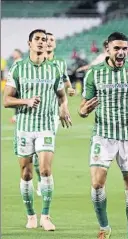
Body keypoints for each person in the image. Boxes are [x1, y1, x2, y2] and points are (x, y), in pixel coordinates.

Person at [78, 32, 128, 239]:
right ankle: (104, 228)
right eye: (116, 48)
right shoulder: (94, 73)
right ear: (107, 49)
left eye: (124, 49)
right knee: (97, 185)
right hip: (103, 135)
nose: (121, 53)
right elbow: (82, 107)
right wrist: (83, 110)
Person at [3, 29, 72, 231]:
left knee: (45, 170)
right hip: (24, 128)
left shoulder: (54, 69)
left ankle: (46, 216)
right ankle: (31, 215)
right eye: (37, 39)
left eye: (44, 39)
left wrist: (64, 108)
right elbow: (6, 100)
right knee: (26, 174)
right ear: (29, 43)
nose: (42, 42)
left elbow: (61, 95)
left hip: (45, 128)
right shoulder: (18, 68)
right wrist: (26, 101)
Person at [34, 32, 76, 196]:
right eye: (47, 40)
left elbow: (64, 80)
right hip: (34, 113)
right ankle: (41, 177)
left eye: (52, 40)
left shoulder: (59, 63)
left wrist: (70, 88)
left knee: (42, 149)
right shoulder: (35, 63)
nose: (49, 43)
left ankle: (44, 180)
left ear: (55, 44)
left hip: (52, 113)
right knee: (33, 156)